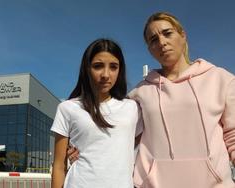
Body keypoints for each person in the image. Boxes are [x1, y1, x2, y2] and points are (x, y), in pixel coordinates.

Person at [68, 12, 235, 188]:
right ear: (150, 49)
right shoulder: (140, 92)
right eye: (153, 39)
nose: (162, 42)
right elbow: (115, 135)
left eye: (167, 33)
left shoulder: (221, 79)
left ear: (183, 35)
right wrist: (78, 147)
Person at [50, 38, 142, 188]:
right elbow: (59, 165)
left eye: (113, 67)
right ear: (87, 69)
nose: (106, 74)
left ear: (120, 70)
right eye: (98, 66)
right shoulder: (67, 108)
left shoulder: (132, 108)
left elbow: (143, 143)